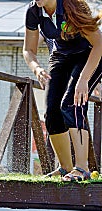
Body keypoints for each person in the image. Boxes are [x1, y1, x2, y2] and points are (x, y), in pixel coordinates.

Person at [23, 0, 102, 181]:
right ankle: (65, 168)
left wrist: (84, 79)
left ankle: (82, 169)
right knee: (52, 112)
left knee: (71, 103)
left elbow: (99, 44)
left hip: (89, 54)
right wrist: (36, 68)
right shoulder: (34, 12)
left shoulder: (71, 7)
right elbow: (28, 50)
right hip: (61, 57)